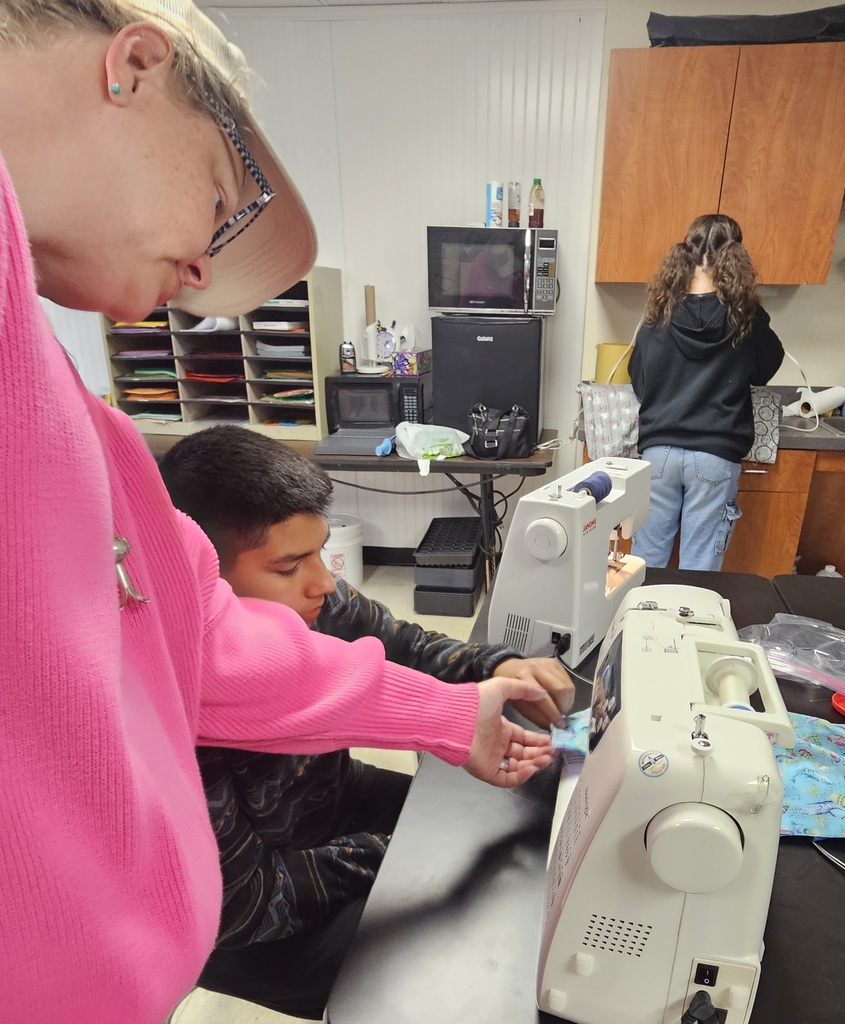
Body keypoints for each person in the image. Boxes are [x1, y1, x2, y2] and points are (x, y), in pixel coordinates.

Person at [0, 3, 555, 1021]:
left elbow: (201, 640)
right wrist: (407, 843)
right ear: (133, 70)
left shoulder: (75, 418)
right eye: (217, 193)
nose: (204, 276)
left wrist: (458, 700)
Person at [158, 425, 575, 1017]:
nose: (324, 583)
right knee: (471, 972)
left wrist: (496, 661)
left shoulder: (316, 598)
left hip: (335, 803)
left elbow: (400, 641)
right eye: (288, 566)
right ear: (203, 585)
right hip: (257, 919)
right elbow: (245, 905)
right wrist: (400, 854)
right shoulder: (174, 725)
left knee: (518, 844)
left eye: (319, 551)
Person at [628, 214, 784, 571]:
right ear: (735, 255)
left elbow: (640, 380)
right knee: (699, 569)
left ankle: (637, 624)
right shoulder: (746, 316)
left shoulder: (659, 313)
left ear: (687, 250)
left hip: (659, 455)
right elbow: (765, 369)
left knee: (645, 565)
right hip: (715, 454)